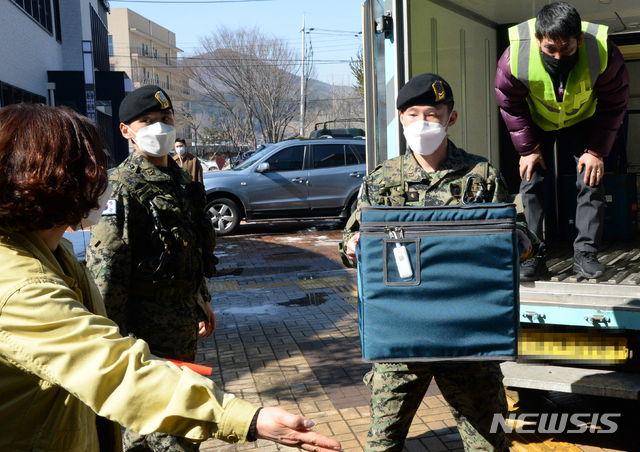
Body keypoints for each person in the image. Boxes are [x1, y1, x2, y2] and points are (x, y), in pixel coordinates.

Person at [0, 102, 342, 452]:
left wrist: (200, 299)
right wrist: (246, 419)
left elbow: (192, 248)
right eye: (89, 166)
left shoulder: (55, 253)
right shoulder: (23, 286)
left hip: (171, 333)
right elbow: (115, 369)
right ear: (46, 178)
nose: (100, 177)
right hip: (142, 342)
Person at [340, 73, 535, 452]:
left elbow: (522, 233)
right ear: (400, 118)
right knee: (382, 444)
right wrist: (353, 245)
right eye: (413, 114)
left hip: (468, 340)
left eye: (433, 113)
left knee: (488, 444)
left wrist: (522, 240)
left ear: (451, 118)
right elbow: (350, 240)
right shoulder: (382, 182)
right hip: (401, 340)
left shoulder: (482, 176)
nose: (423, 122)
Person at [84, 85, 215, 451]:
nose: (159, 128)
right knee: (156, 428)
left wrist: (202, 299)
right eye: (148, 121)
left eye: (165, 119)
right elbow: (108, 269)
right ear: (127, 130)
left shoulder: (181, 180)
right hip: (143, 334)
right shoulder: (122, 187)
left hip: (182, 323)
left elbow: (190, 248)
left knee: (182, 420)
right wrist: (115, 344)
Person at [495, 1, 629, 280]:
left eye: (566, 48)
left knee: (590, 178)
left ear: (579, 39)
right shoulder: (514, 57)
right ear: (537, 39)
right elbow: (510, 105)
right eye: (550, 49)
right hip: (538, 121)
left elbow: (614, 104)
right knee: (531, 181)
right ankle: (532, 255)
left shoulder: (603, 53)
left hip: (584, 119)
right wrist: (528, 149)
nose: (558, 56)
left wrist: (596, 151)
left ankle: (585, 254)